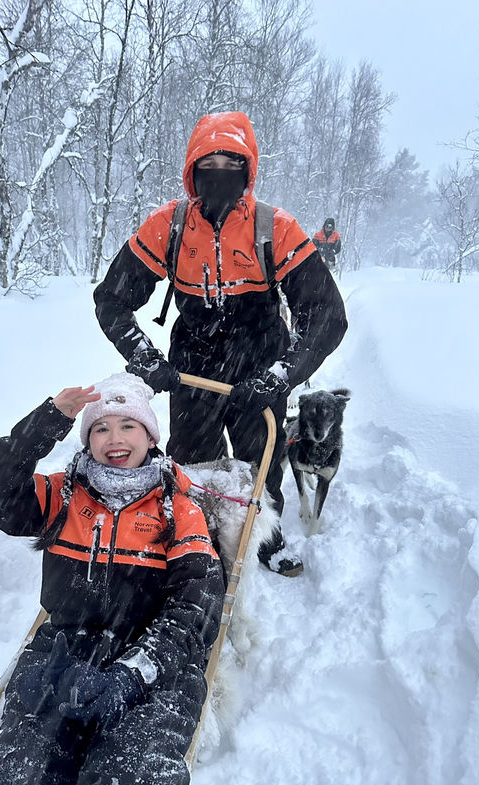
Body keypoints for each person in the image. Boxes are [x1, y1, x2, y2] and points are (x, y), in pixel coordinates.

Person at [0, 372, 224, 785]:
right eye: (101, 428)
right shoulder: (63, 496)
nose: (115, 439)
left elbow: (198, 604)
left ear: (150, 436)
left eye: (129, 425)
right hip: (61, 651)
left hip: (152, 670)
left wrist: (134, 672)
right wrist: (47, 421)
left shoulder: (176, 508)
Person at [93, 111, 347, 577]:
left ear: (248, 169)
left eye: (231, 163)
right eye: (208, 163)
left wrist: (281, 374)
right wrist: (145, 359)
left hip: (260, 360)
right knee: (190, 461)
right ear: (191, 169)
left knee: (262, 461)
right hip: (193, 362)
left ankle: (267, 537)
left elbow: (328, 316)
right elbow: (110, 299)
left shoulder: (276, 228)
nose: (219, 173)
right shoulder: (168, 227)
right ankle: (197, 537)